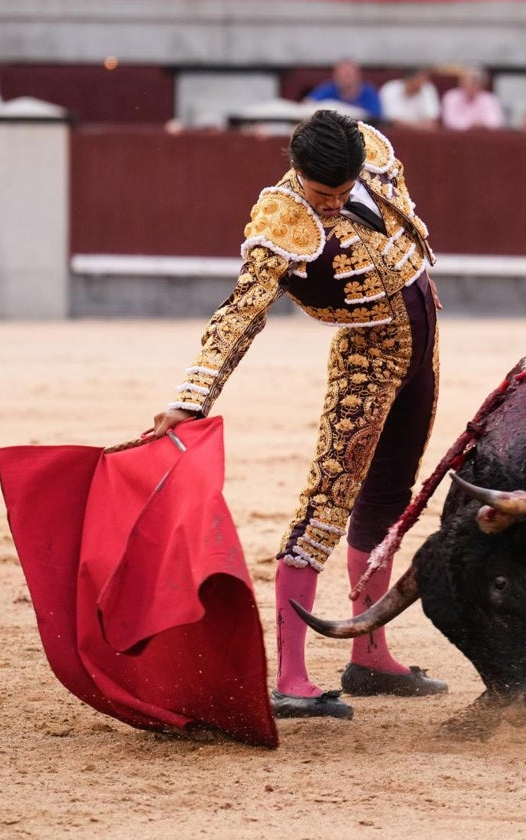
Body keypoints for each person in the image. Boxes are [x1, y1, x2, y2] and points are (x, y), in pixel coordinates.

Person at [150, 110, 447, 721]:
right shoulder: (284, 220)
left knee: (389, 499)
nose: (333, 204)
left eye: (342, 191)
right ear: (298, 172)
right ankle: (291, 676)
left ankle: (370, 655)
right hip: (366, 362)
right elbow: (241, 312)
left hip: (423, 349)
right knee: (326, 505)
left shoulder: (368, 150)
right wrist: (192, 397)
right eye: (322, 194)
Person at [308, 59, 383, 121]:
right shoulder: (327, 89)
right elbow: (308, 105)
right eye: (342, 75)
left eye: (348, 75)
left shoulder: (368, 92)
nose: (346, 79)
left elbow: (376, 116)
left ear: (358, 76)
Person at [440, 65, 504, 131]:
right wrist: (471, 124)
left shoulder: (489, 99)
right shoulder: (451, 97)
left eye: (473, 83)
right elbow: (449, 122)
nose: (469, 86)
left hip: (484, 137)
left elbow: (496, 122)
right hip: (456, 137)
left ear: (481, 85)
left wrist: (480, 125)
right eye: (465, 82)